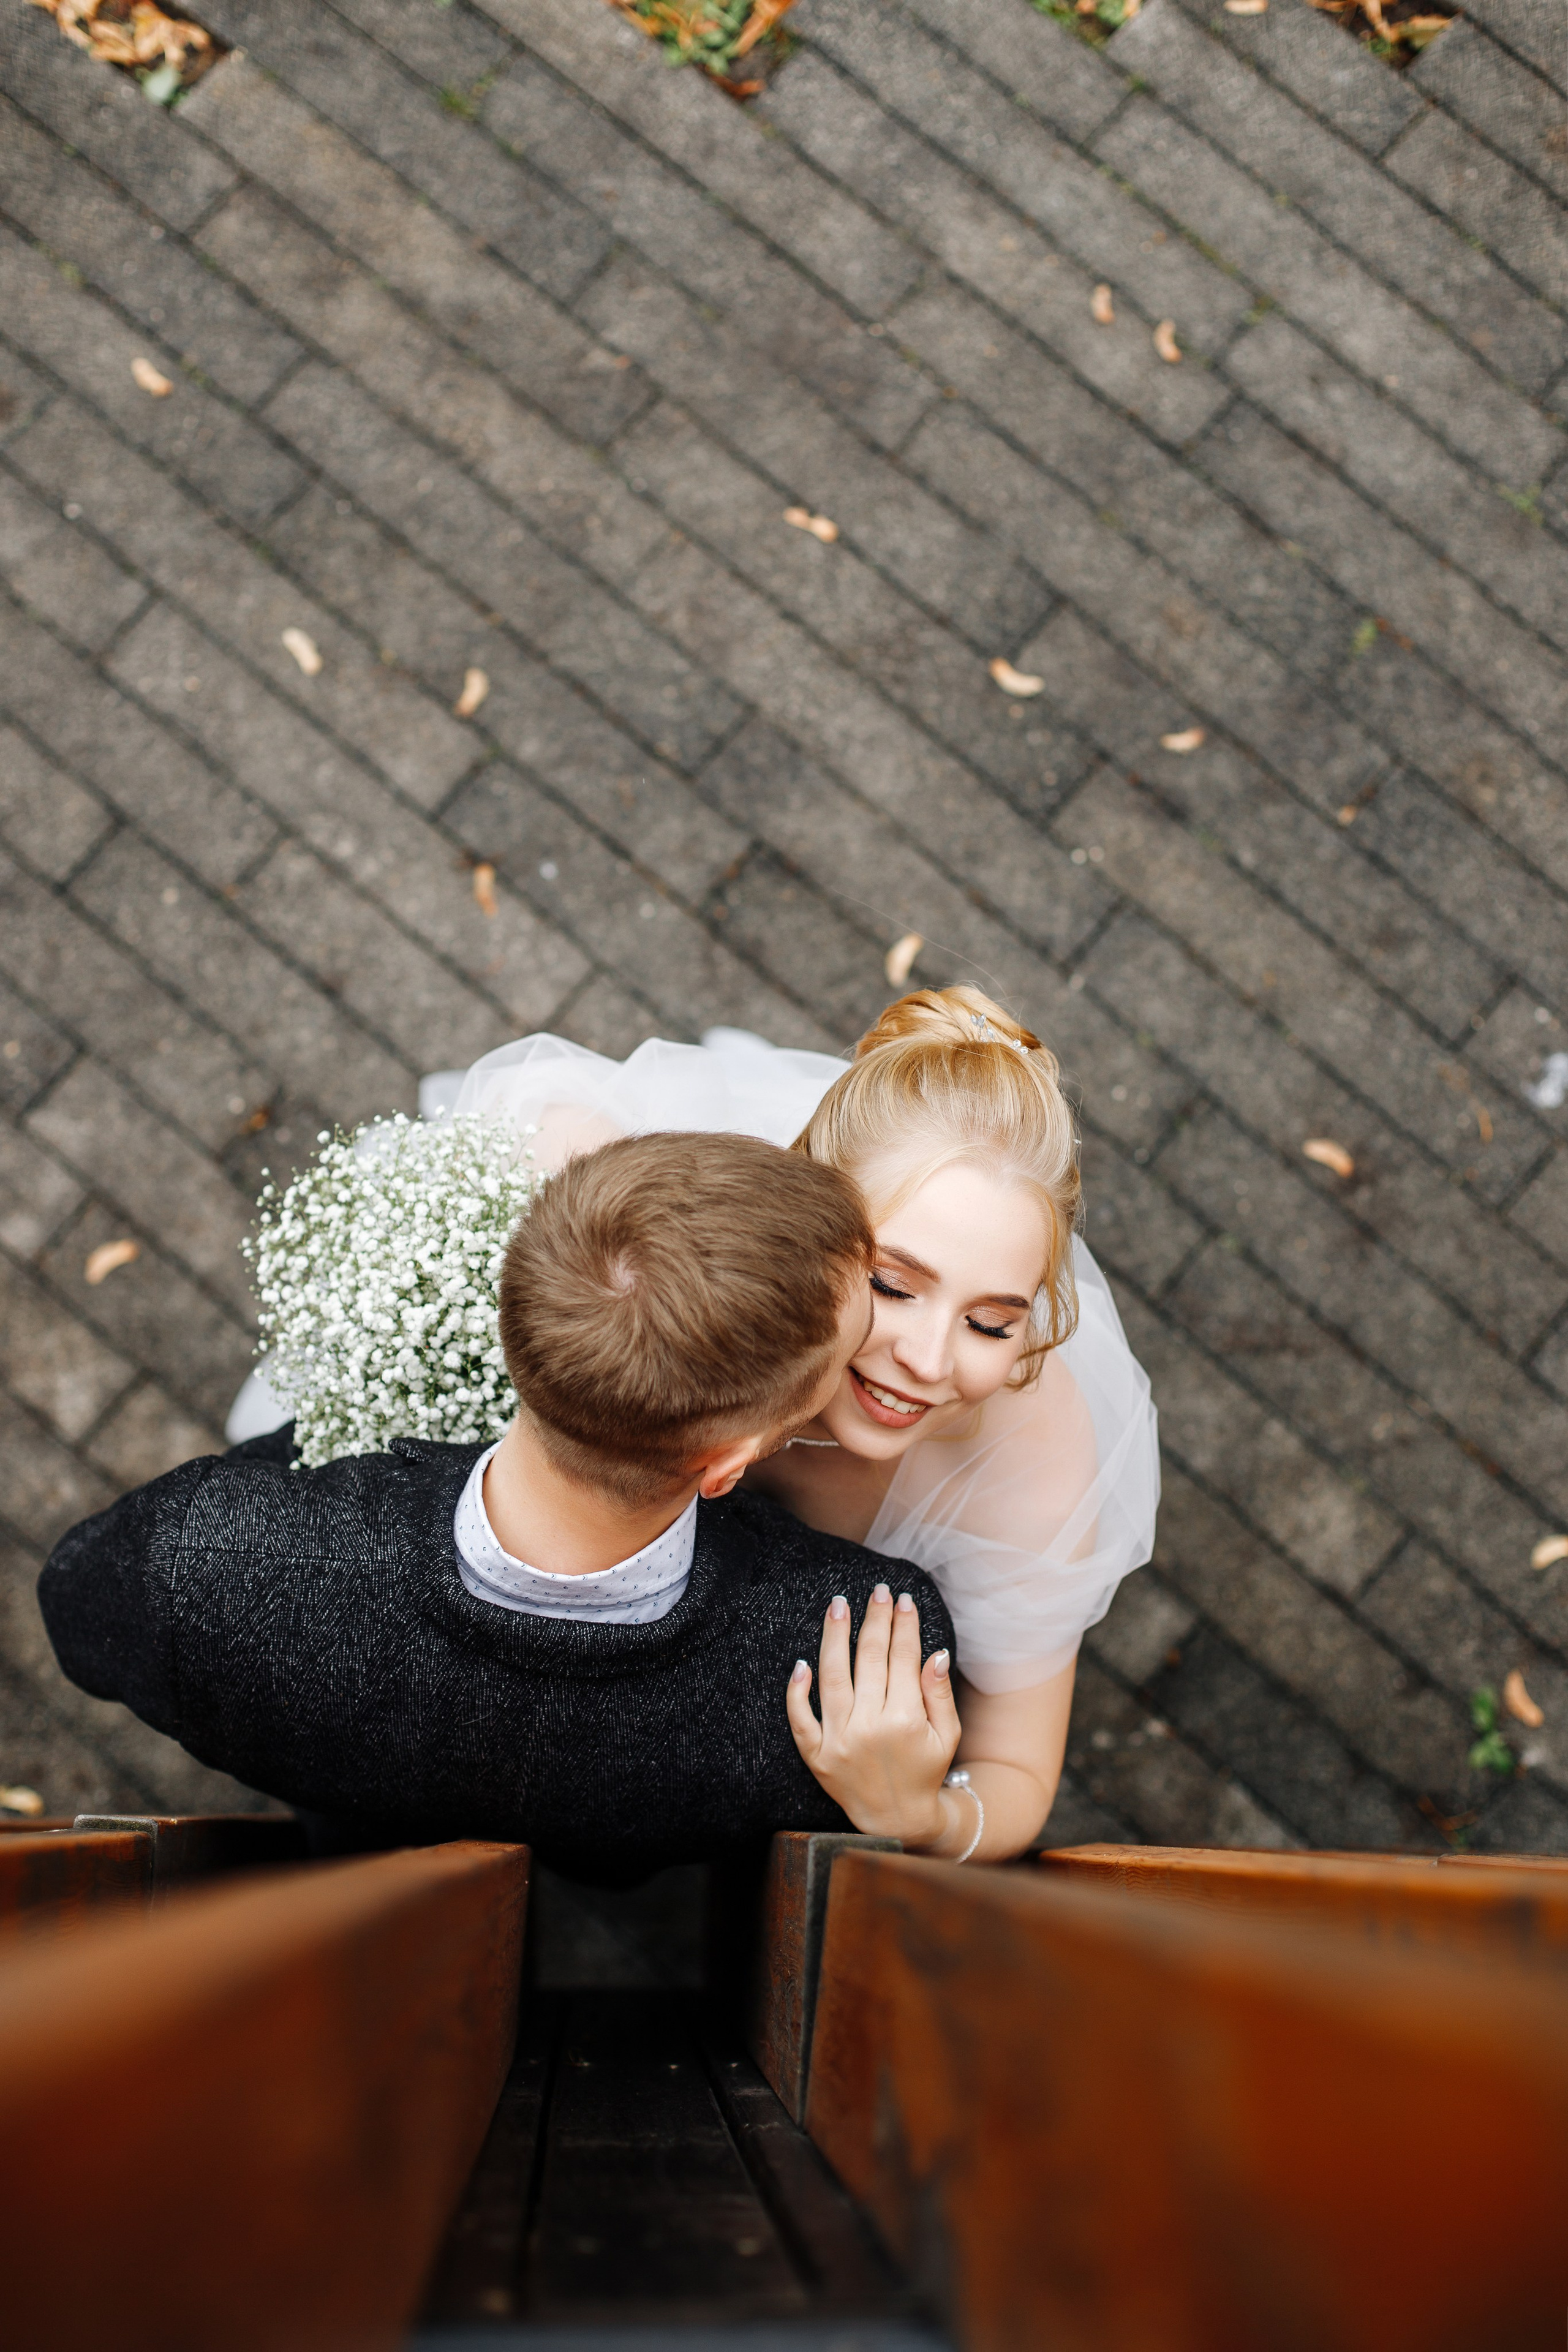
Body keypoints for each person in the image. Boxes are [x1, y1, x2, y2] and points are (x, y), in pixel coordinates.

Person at [38, 1134, 959, 1883]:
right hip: (613, 1858)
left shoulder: (210, 1560)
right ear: (725, 1464)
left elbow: (75, 1604)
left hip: (348, 1808)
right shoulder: (851, 1653)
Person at [450, 986, 1160, 1863]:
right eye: (895, 1286)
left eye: (991, 1322)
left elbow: (1016, 1769)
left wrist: (926, 1814)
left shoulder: (1035, 1461)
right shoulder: (660, 1257)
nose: (931, 1362)